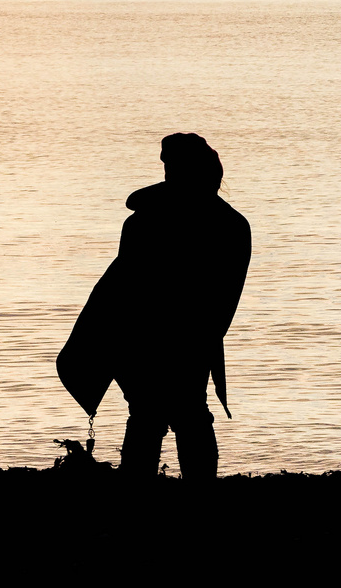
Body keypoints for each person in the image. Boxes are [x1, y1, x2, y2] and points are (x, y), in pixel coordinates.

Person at [59, 133, 251, 480]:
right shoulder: (230, 224)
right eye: (165, 164)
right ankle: (191, 494)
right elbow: (224, 299)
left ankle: (146, 496)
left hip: (155, 335)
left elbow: (123, 285)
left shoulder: (148, 221)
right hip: (179, 336)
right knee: (179, 415)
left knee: (160, 415)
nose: (166, 171)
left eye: (171, 165)